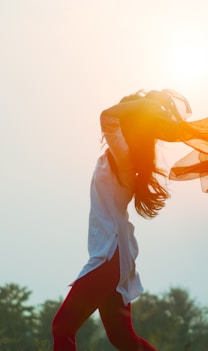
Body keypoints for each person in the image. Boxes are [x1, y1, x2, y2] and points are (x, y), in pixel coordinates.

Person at [51, 89, 208, 351]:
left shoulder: (123, 156)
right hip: (115, 257)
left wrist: (144, 105)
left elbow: (108, 117)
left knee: (62, 327)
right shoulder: (124, 157)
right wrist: (144, 106)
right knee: (124, 339)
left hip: (109, 257)